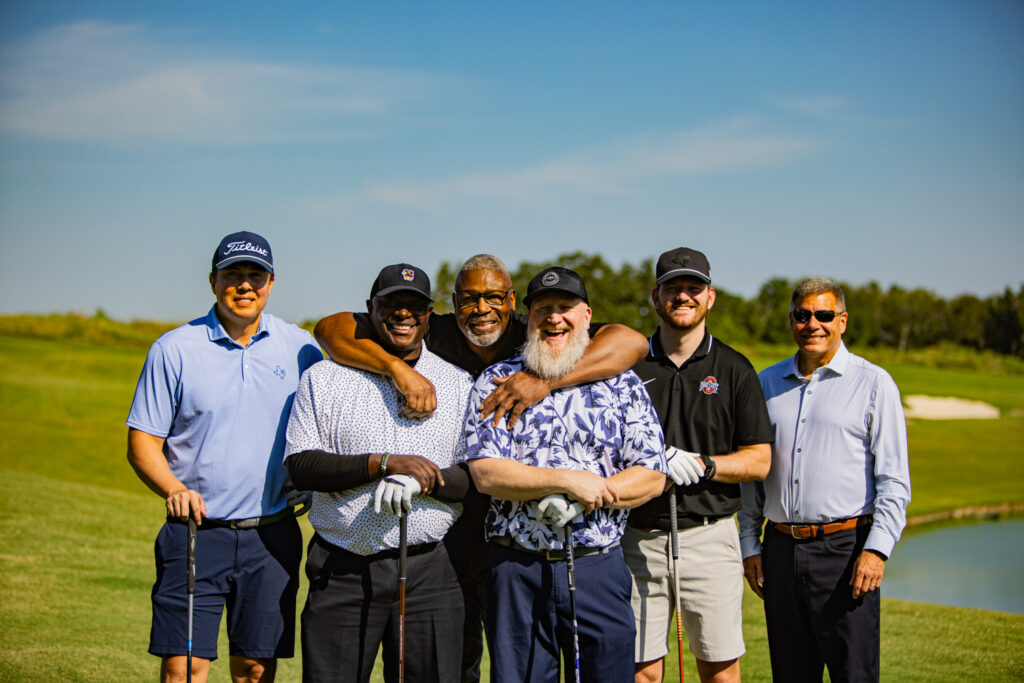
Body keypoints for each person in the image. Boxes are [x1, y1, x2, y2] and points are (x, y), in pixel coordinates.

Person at [313, 254, 648, 682]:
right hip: (455, 524)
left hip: (518, 530)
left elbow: (631, 342)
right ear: (454, 303)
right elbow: (330, 328)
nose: (482, 309)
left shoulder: (536, 329)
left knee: (526, 657)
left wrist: (544, 381)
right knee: (459, 657)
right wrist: (398, 370)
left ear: (512, 301)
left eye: (493, 297)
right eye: (470, 299)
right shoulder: (434, 329)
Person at [126, 231, 323, 683]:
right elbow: (142, 443)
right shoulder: (174, 348)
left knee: (254, 669)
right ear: (213, 281)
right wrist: (173, 489)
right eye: (233, 275)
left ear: (271, 283)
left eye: (256, 275)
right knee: (184, 668)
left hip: (271, 535)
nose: (245, 285)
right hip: (195, 532)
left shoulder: (301, 348)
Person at [462, 266, 669, 683]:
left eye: (565, 308)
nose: (554, 318)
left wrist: (597, 491)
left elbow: (652, 473)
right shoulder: (496, 381)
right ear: (529, 318)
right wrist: (566, 481)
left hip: (598, 566)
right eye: (543, 309)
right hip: (518, 567)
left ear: (587, 315)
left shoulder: (622, 383)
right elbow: (486, 472)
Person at [284, 263, 474, 683]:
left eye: (415, 306)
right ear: (369, 308)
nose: (403, 314)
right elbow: (302, 466)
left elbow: (469, 479)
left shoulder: (458, 384)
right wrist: (383, 464)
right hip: (343, 568)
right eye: (391, 304)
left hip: (429, 573)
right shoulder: (324, 378)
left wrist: (422, 479)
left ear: (429, 313)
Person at [738, 277, 912, 682]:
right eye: (802, 315)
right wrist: (749, 544)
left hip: (846, 552)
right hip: (780, 550)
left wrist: (877, 551)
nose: (812, 324)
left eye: (824, 315)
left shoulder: (873, 383)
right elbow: (753, 476)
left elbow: (894, 481)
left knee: (853, 674)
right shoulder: (766, 383)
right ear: (791, 321)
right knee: (791, 674)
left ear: (842, 320)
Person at [624, 247, 773, 683]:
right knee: (641, 673)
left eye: (694, 288)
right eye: (673, 288)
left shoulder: (734, 369)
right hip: (637, 538)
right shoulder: (629, 364)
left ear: (710, 297)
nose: (683, 297)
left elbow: (759, 460)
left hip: (709, 538)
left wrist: (706, 465)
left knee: (720, 673)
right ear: (656, 297)